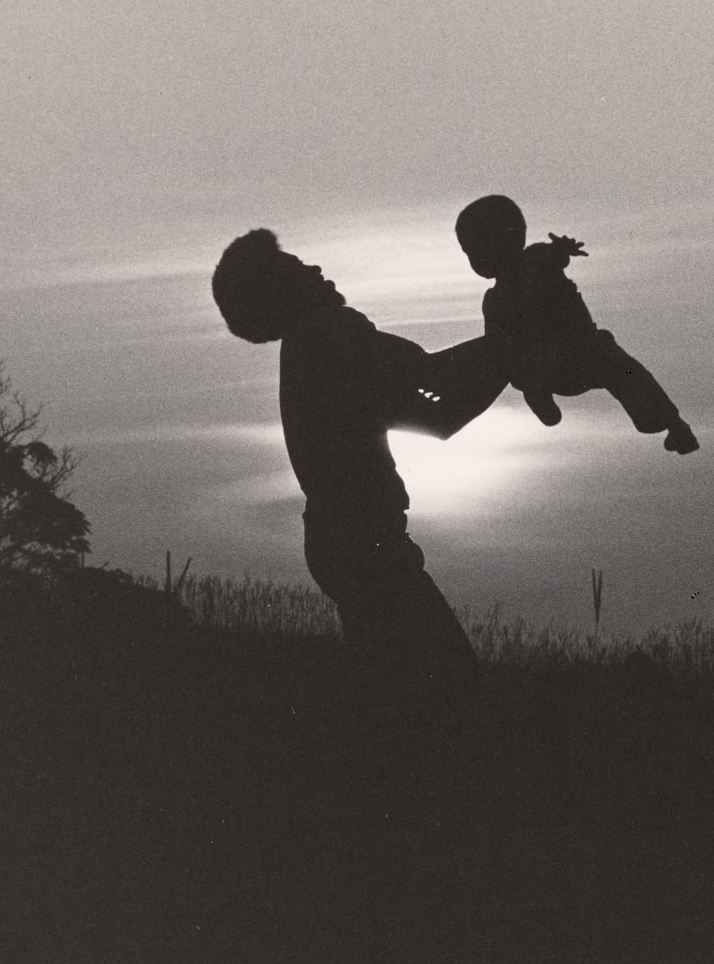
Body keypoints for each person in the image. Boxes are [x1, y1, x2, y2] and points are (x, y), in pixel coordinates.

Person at [211, 228, 506, 693]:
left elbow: (436, 411)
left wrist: (504, 352)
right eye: (293, 266)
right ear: (279, 291)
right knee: (448, 692)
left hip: (343, 545)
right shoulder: (330, 332)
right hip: (364, 545)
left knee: (402, 694)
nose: (313, 268)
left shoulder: (314, 347)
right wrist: (510, 345)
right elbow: (434, 388)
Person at [455, 194, 699, 450]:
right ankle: (537, 393)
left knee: (627, 371)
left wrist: (562, 250)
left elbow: (553, 256)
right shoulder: (495, 300)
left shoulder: (535, 258)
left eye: (475, 250)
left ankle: (672, 423)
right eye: (469, 253)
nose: (475, 260)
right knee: (616, 369)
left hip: (582, 348)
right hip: (549, 362)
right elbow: (496, 344)